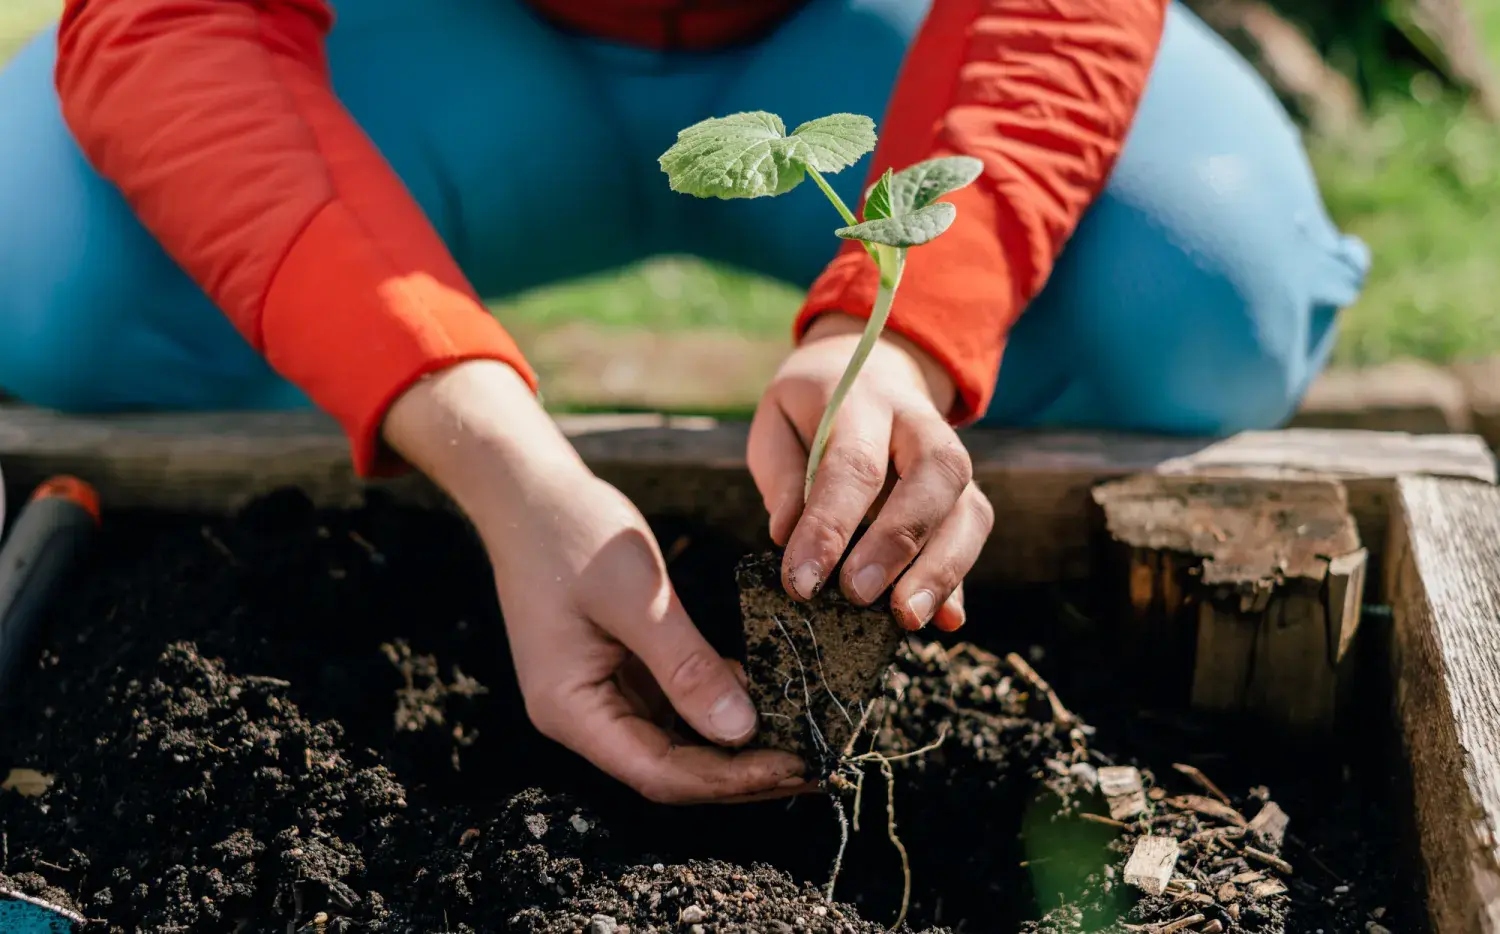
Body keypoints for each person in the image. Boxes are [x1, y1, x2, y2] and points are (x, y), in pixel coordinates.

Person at [0, 0, 1367, 805]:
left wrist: (902, 336)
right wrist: (490, 452)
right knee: (49, 274)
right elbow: (169, 24)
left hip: (850, 43)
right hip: (443, 48)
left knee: (1206, 298)